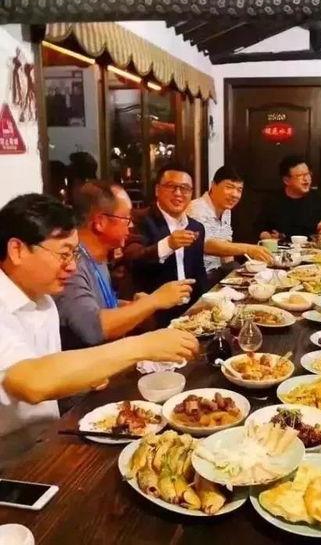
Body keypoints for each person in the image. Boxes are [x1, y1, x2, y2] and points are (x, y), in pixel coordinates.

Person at [0, 194, 198, 453]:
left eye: (74, 254)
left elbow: (48, 372)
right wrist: (142, 346)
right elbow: (31, 383)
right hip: (11, 462)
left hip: (48, 440)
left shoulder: (43, 299)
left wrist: (84, 377)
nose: (72, 267)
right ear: (17, 250)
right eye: (64, 254)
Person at [55, 181, 194, 350]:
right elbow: (93, 328)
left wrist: (134, 306)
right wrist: (154, 300)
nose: (131, 225)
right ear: (100, 222)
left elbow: (103, 305)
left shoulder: (96, 256)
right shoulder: (71, 266)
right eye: (126, 218)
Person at [123, 165, 206, 324]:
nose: (178, 193)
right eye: (171, 186)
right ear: (157, 190)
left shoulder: (196, 227)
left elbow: (199, 272)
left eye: (185, 188)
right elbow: (132, 259)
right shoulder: (139, 219)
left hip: (189, 312)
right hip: (151, 315)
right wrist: (168, 244)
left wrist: (204, 306)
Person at [187, 166, 273, 280]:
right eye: (229, 187)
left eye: (239, 189)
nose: (235, 195)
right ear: (213, 185)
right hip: (200, 277)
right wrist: (248, 249)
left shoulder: (226, 210)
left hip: (219, 272)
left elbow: (226, 247)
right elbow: (206, 245)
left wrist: (234, 274)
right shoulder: (197, 208)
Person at [256, 155, 321, 240]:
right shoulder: (272, 200)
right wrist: (267, 236)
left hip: (311, 247)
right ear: (286, 180)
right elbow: (259, 228)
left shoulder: (319, 199)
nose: (306, 179)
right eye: (300, 176)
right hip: (280, 247)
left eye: (307, 174)